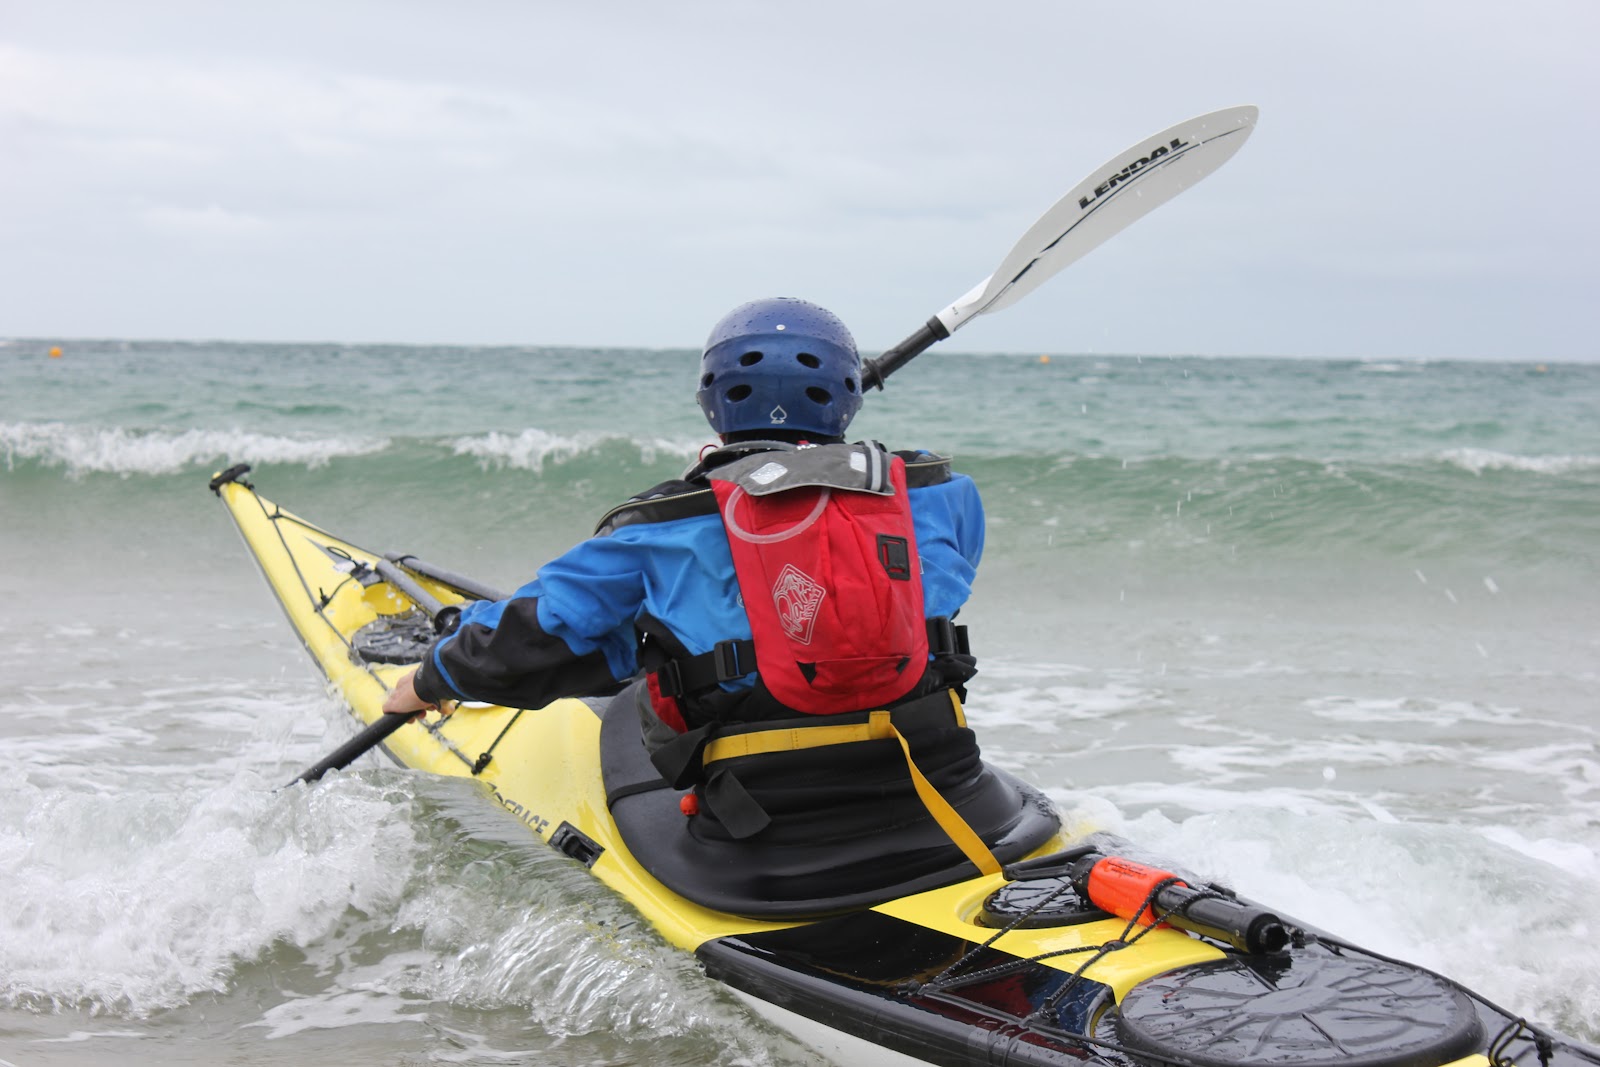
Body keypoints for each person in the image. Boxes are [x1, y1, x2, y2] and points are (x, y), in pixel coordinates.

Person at [384, 298, 1041, 866]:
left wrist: (430, 677)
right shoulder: (943, 494)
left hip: (767, 825)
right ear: (848, 397)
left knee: (640, 672)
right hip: (947, 787)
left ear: (711, 399)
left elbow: (539, 634)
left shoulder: (660, 525)